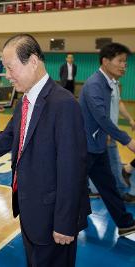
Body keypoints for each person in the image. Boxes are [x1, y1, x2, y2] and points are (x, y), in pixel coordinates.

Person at [0, 34, 91, 267]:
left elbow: (72, 169)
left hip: (53, 217)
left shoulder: (63, 104)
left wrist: (64, 223)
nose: (8, 76)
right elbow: (4, 139)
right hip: (32, 211)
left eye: (11, 69)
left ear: (33, 62)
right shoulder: (26, 102)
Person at [79, 42, 135, 235]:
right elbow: (100, 117)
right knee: (72, 188)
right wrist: (127, 140)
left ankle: (125, 223)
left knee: (108, 186)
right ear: (105, 61)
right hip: (83, 148)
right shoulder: (94, 84)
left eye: (125, 62)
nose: (123, 66)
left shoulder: (110, 83)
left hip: (97, 146)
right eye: (120, 61)